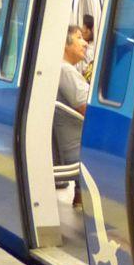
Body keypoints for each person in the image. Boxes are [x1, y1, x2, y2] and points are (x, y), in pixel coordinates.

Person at [54, 25, 91, 168]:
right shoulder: (65, 70)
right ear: (65, 44)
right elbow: (89, 110)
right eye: (79, 37)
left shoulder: (63, 68)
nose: (85, 43)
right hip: (77, 148)